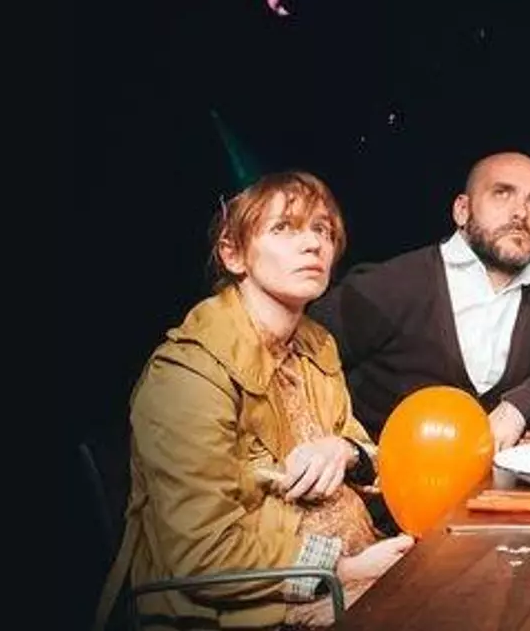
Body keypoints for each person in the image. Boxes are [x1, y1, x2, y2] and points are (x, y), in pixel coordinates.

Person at [94, 172, 414, 630]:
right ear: (234, 254)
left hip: (359, 555)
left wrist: (345, 450)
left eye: (322, 230)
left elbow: (368, 454)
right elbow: (202, 555)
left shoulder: (316, 345)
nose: (313, 244)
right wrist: (341, 571)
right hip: (245, 608)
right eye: (284, 228)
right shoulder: (188, 373)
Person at [310, 152, 530, 449]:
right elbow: (297, 357)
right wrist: (343, 449)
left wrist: (527, 400)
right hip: (386, 488)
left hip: (494, 487)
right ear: (462, 210)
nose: (521, 212)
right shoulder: (392, 283)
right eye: (502, 193)